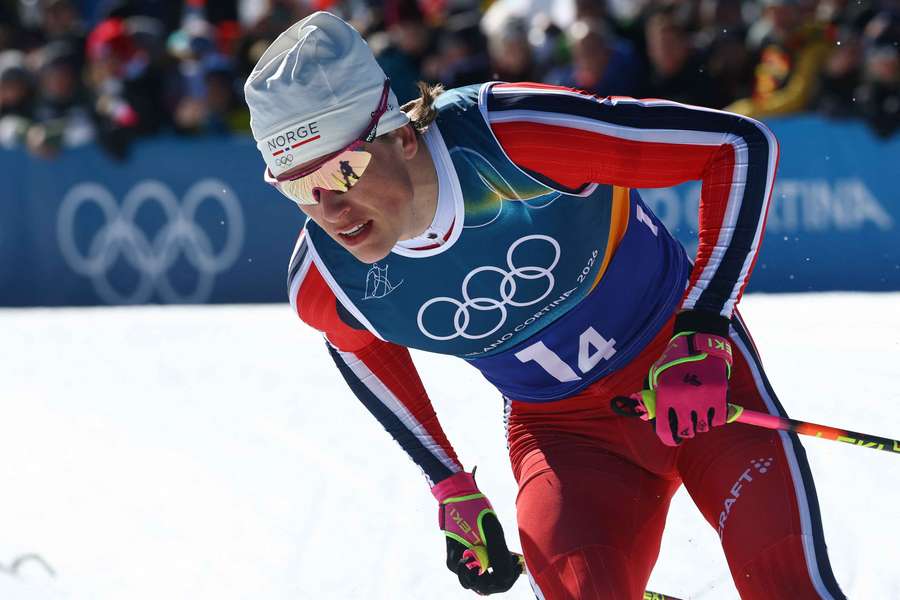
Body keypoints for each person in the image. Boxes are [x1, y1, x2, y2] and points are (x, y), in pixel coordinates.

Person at [244, 12, 847, 600]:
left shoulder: (512, 138)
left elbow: (737, 146)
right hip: (565, 440)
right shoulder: (328, 281)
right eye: (297, 186)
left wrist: (705, 327)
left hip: (692, 380)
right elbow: (355, 346)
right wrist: (450, 484)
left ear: (401, 135)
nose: (329, 209)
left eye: (343, 171)